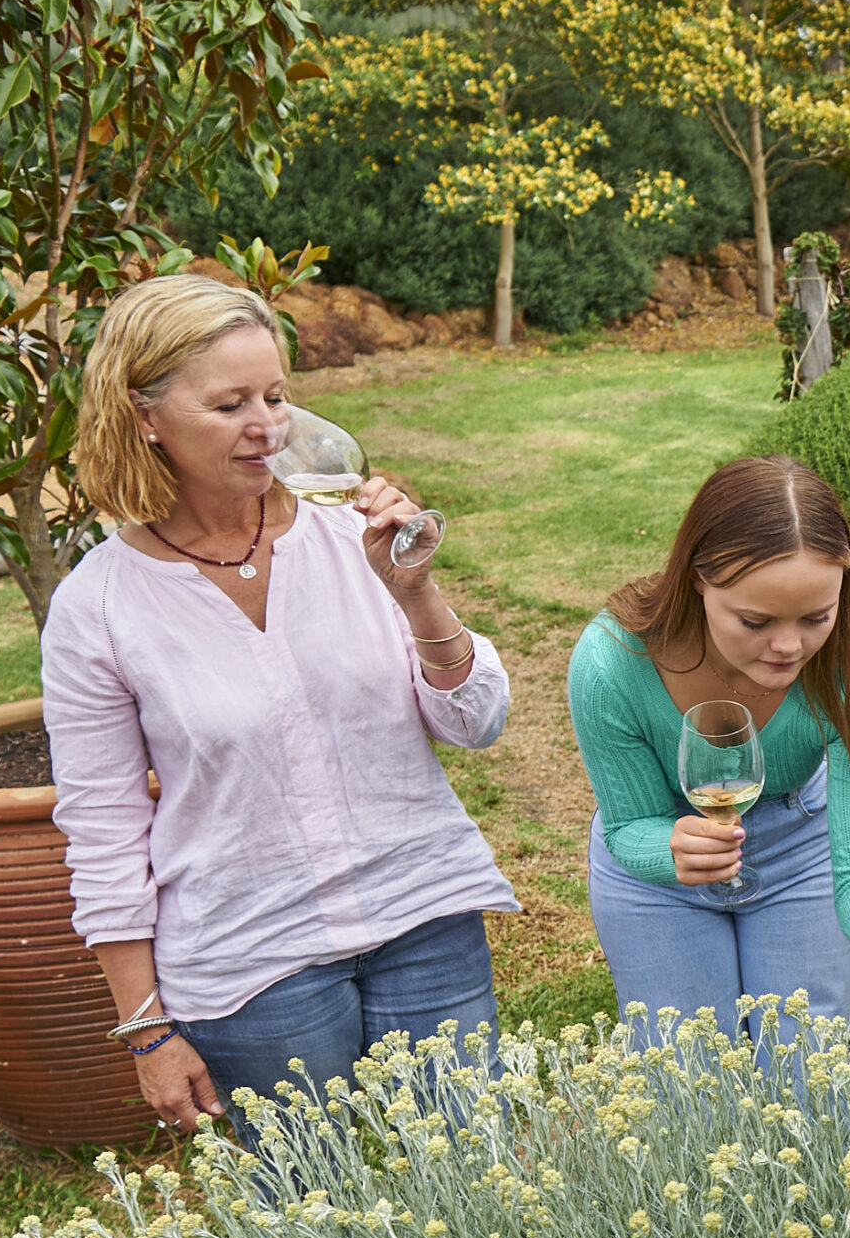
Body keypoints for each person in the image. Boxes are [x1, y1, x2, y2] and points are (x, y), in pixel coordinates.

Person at [44, 273, 518, 1138]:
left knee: (473, 1182)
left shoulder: (351, 536)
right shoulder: (99, 607)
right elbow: (104, 830)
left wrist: (416, 596)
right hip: (248, 961)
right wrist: (148, 1029)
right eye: (230, 404)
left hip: (423, 915)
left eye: (276, 395)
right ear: (144, 415)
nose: (267, 426)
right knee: (310, 1220)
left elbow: (477, 722)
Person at [569, 456, 850, 1074]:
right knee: (684, 1081)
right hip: (661, 880)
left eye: (817, 617)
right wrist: (671, 849)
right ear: (696, 580)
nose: (790, 646)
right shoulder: (611, 664)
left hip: (801, 853)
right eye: (755, 621)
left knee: (812, 1080)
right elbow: (629, 825)